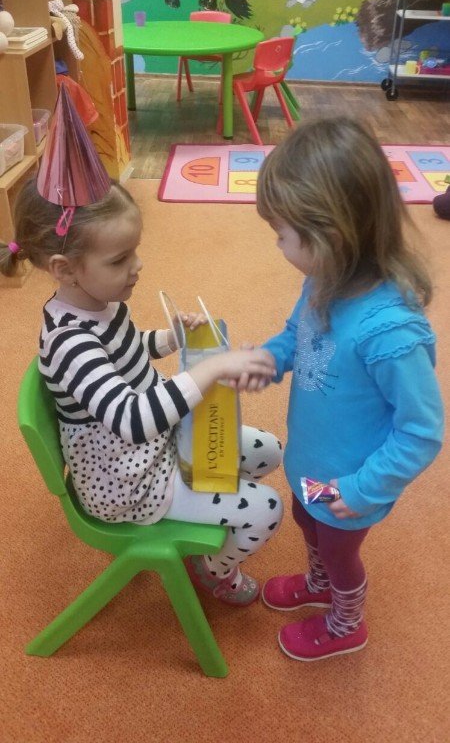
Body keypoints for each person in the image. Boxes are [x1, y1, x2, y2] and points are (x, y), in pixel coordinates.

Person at [0, 176, 284, 607]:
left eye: (134, 251)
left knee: (269, 451)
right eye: (120, 259)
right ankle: (213, 570)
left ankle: (209, 506)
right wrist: (210, 371)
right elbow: (133, 421)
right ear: (65, 269)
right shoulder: (69, 343)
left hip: (156, 445)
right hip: (129, 480)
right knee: (266, 509)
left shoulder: (100, 302)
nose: (137, 266)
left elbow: (129, 346)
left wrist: (170, 340)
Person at [255, 117, 444, 660]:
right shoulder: (323, 279)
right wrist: (270, 357)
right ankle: (318, 584)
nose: (277, 245)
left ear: (330, 236)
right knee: (305, 518)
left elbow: (422, 431)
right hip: (313, 465)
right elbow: (296, 334)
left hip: (350, 483)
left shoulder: (390, 332)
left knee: (339, 551)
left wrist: (362, 490)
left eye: (282, 234)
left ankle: (345, 622)